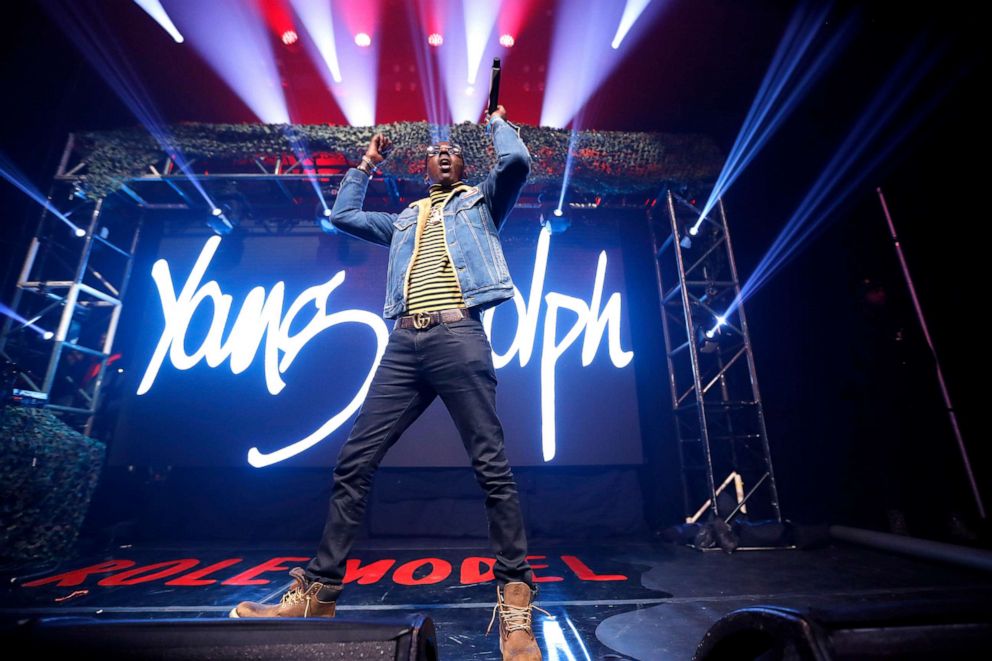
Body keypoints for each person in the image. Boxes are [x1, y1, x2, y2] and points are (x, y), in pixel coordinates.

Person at [230, 106, 546, 661]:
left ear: (464, 166)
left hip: (458, 337)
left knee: (490, 466)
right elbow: (343, 215)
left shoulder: (480, 204)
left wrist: (497, 120)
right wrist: (366, 164)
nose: (445, 155)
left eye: (454, 152)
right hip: (404, 345)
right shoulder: (402, 219)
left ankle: (516, 609)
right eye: (435, 152)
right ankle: (318, 594)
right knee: (354, 460)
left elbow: (517, 158)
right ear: (425, 167)